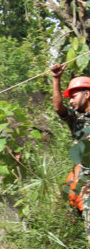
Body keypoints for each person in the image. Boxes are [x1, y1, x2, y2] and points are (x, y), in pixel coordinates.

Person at [51, 63, 90, 238]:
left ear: (87, 94)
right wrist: (56, 79)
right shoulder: (77, 120)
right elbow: (58, 108)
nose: (71, 101)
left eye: (74, 96)